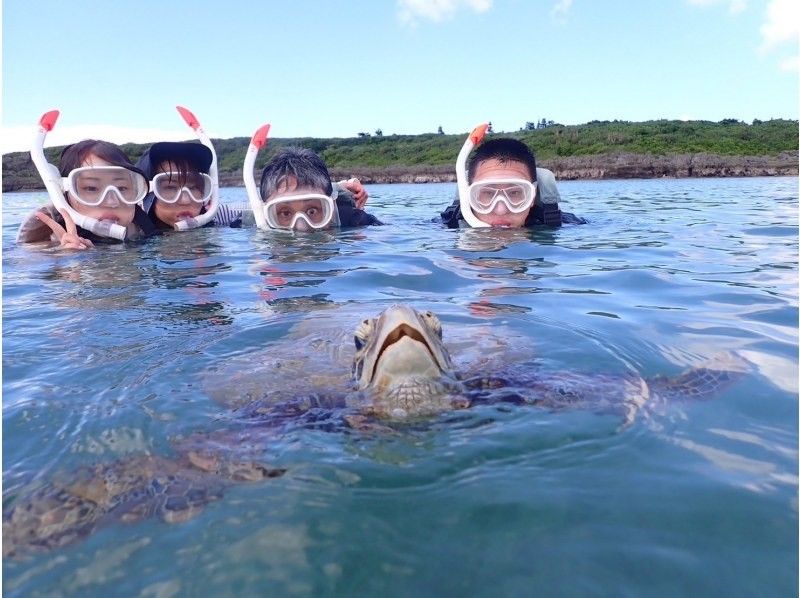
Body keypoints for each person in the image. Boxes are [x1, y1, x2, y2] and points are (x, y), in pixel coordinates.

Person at [17, 139, 156, 248]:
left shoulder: (145, 229)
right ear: (64, 194)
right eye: (91, 188)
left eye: (121, 189)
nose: (112, 202)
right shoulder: (48, 242)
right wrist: (67, 260)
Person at [441, 135, 585, 228]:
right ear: (469, 196)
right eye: (487, 193)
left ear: (532, 196)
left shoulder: (568, 225)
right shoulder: (446, 226)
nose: (501, 210)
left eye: (515, 192)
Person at [251, 147, 382, 231]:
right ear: (265, 215)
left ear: (331, 207)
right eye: (285, 213)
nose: (301, 228)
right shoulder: (255, 220)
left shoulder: (350, 218)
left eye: (312, 211)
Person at [136, 141, 242, 230]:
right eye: (170, 187)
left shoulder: (220, 216)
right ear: (146, 192)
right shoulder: (134, 231)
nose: (185, 200)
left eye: (194, 187)